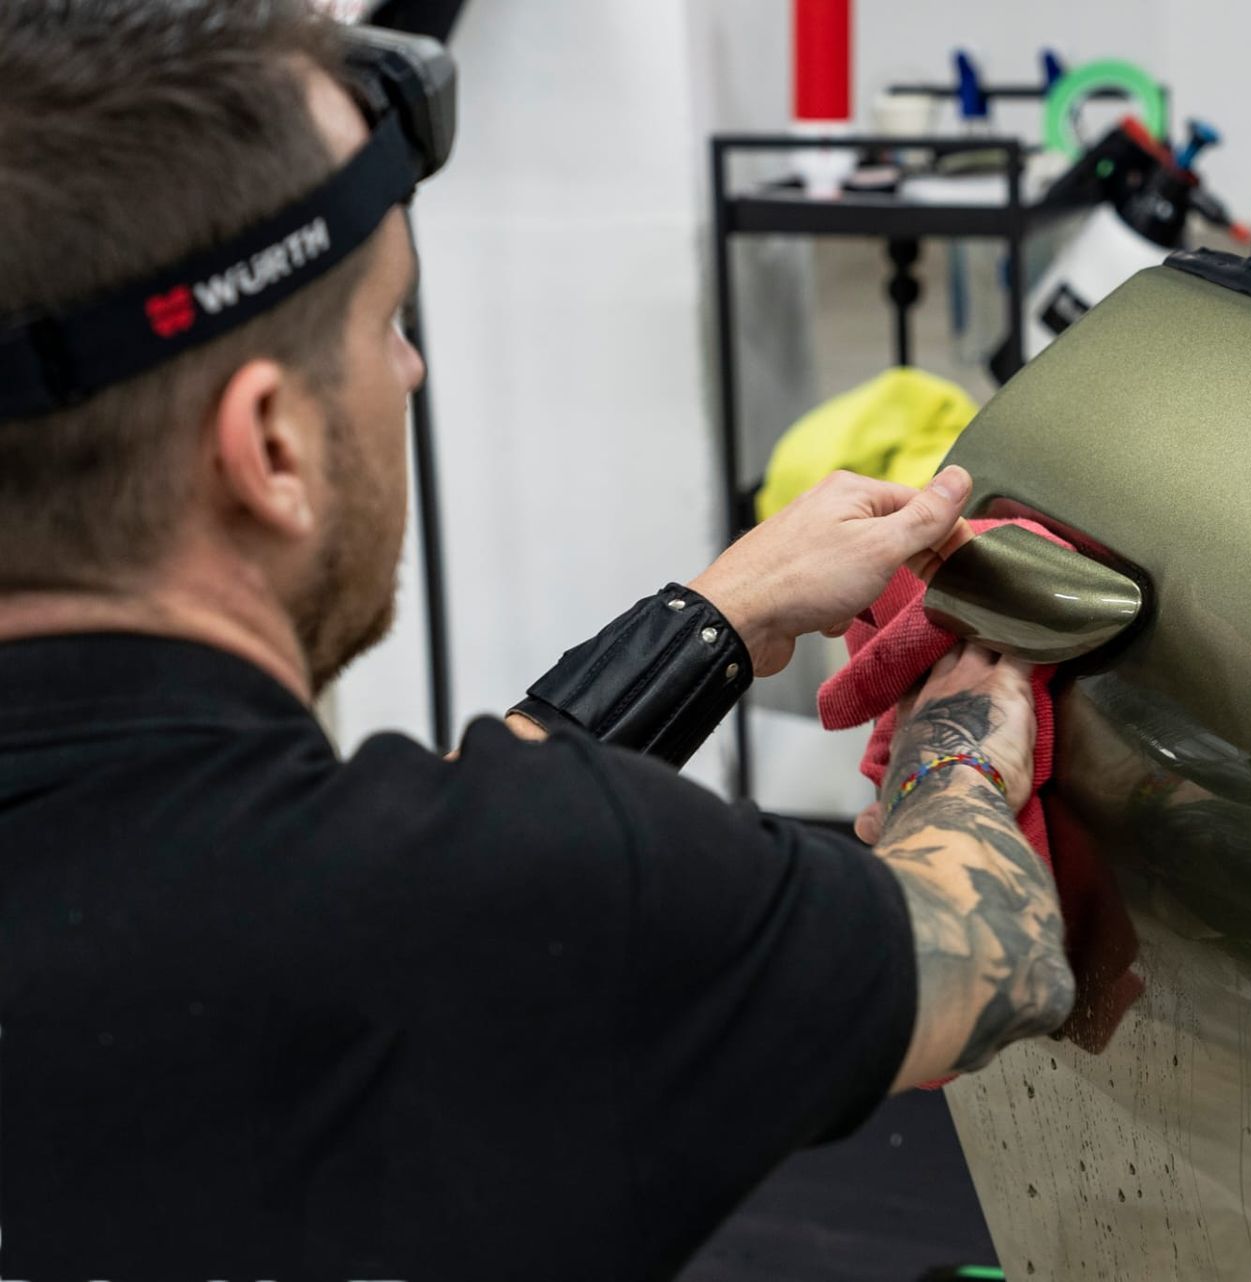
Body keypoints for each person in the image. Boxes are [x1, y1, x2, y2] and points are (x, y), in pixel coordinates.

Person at [0, 3, 1071, 1278]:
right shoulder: (510, 908)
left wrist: (713, 620)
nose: (407, 372)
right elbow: (994, 955)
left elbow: (425, 857)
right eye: (389, 322)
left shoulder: (398, 899)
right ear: (272, 447)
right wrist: (961, 736)